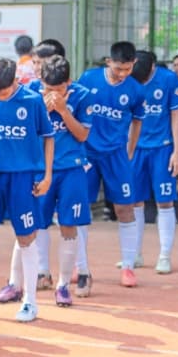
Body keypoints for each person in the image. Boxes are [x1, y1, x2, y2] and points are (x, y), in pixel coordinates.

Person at [0, 58, 55, 323]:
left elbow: (48, 137)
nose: (0, 95)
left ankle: (30, 301)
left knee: (26, 237)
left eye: (4, 90)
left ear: (15, 80)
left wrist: (47, 175)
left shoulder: (32, 101)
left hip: (22, 178)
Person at [75, 40, 145, 291]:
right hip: (87, 153)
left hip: (116, 155)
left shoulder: (136, 90)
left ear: (134, 64)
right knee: (80, 208)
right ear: (108, 62)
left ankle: (128, 266)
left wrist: (130, 151)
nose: (123, 73)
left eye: (127, 68)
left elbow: (137, 121)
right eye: (118, 68)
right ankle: (80, 266)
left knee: (125, 208)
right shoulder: (89, 78)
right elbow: (75, 110)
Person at [33, 54, 94, 307]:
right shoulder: (31, 93)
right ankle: (41, 272)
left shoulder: (82, 95)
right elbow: (27, 132)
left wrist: (63, 110)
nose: (52, 94)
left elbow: (82, 135)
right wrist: (43, 111)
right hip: (41, 169)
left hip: (72, 169)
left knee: (69, 224)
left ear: (68, 82)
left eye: (58, 90)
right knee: (37, 223)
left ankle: (64, 284)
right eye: (48, 89)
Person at [127, 49, 178, 274]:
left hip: (162, 148)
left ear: (152, 67)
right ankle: (135, 254)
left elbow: (176, 116)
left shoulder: (169, 79)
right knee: (135, 202)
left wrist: (177, 151)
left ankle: (164, 255)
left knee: (165, 201)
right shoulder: (129, 78)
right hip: (136, 148)